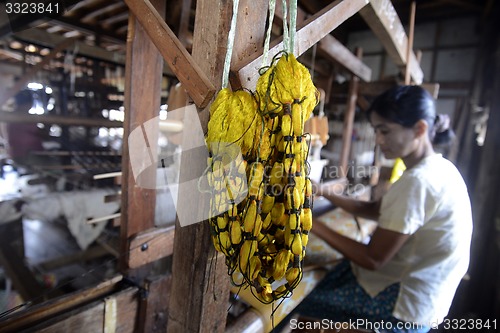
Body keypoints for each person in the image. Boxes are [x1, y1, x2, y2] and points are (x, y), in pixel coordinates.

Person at [294, 85, 473, 333]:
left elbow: (373, 259)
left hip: (404, 303)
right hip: (424, 291)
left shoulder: (420, 181)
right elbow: (375, 210)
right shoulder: (438, 169)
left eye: (385, 131)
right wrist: (321, 190)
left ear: (419, 129)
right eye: (377, 131)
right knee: (317, 286)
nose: (379, 140)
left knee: (298, 301)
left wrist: (306, 219)